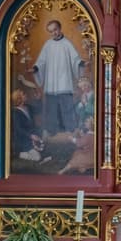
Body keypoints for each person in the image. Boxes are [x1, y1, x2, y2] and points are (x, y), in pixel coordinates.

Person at [33, 18, 86, 146]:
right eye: (51, 31)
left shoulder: (67, 43)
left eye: (55, 30)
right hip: (51, 83)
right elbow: (41, 61)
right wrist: (36, 68)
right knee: (51, 108)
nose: (54, 33)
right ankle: (51, 131)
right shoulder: (48, 45)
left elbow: (75, 59)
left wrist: (80, 63)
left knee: (67, 107)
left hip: (64, 82)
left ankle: (71, 130)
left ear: (60, 28)